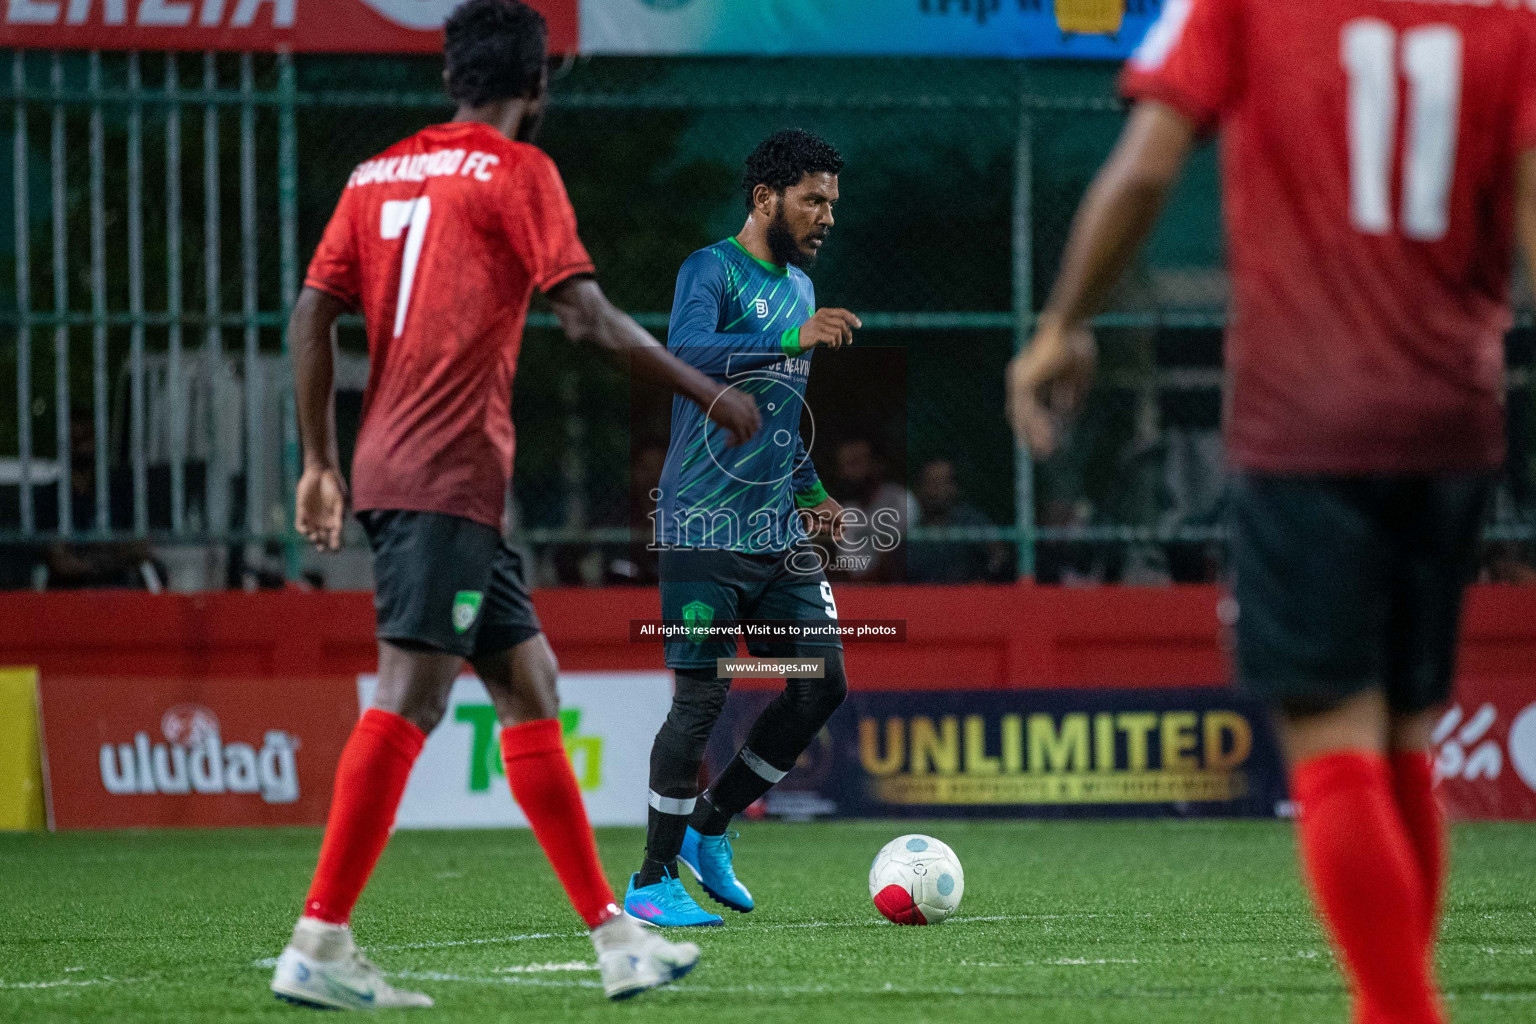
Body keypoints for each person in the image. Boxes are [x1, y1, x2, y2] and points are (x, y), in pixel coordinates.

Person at [1007, 4, 1536, 1023]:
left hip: (1308, 422)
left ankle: (1399, 1011)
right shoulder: (1508, 24)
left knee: (1335, 742)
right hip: (1453, 422)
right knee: (1401, 738)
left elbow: (1148, 167)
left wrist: (1061, 325)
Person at [269, 0, 761, 1009]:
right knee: (410, 691)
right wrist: (706, 389)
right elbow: (582, 314)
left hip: (412, 473)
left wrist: (319, 459)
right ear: (537, 86)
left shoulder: (375, 175)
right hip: (443, 475)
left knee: (529, 683)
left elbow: (314, 310)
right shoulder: (520, 171)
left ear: (454, 78)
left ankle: (617, 938)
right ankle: (319, 936)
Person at [625, 129, 857, 927]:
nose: (827, 215)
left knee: (822, 681)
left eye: (832, 202)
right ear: (766, 198)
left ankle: (711, 824)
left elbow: (783, 420)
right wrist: (794, 336)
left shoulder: (798, 288)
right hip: (701, 526)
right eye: (813, 199)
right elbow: (684, 349)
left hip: (777, 534)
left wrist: (815, 493)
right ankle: (651, 880)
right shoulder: (710, 269)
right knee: (703, 696)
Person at [907, 458, 1005, 584]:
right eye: (931, 483)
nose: (937, 491)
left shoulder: (971, 521)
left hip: (964, 599)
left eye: (944, 483)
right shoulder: (908, 524)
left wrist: (983, 580)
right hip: (917, 599)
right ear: (918, 487)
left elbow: (999, 555)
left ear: (954, 487)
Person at [831, 436, 914, 581]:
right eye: (844, 466)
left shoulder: (898, 500)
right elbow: (845, 564)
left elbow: (894, 559)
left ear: (877, 465)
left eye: (855, 464)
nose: (847, 473)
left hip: (895, 589)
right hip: (853, 590)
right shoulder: (846, 510)